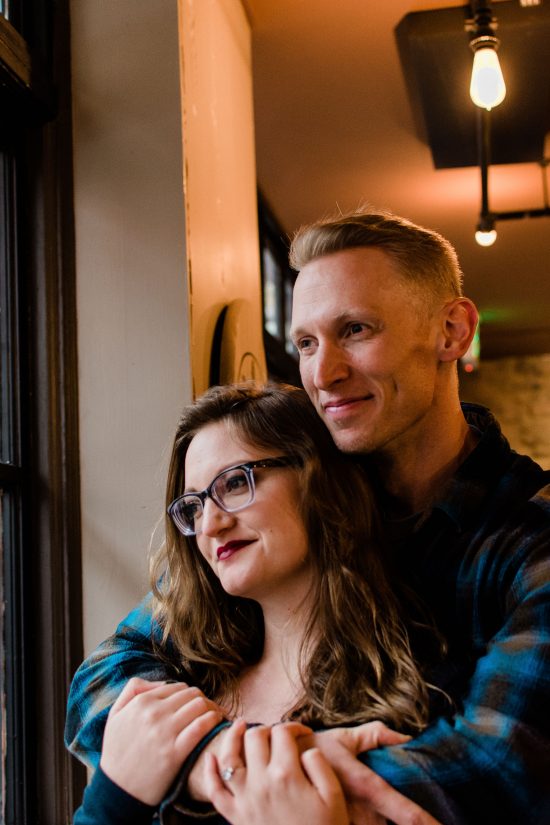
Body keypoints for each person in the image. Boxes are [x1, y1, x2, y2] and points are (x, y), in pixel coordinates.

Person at [66, 209, 550, 824]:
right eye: (305, 343)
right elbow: (106, 676)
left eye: (355, 330)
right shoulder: (289, 508)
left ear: (452, 331)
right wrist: (230, 762)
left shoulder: (528, 541)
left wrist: (280, 778)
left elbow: (503, 768)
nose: (323, 374)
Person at [72, 382, 442, 825]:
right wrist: (115, 796)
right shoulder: (185, 688)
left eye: (234, 482)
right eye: (193, 505)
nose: (211, 523)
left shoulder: (412, 698)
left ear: (319, 481)